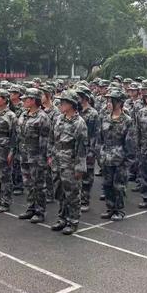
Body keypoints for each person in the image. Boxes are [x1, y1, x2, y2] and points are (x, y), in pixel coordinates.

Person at [48, 90, 88, 235]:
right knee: (59, 191)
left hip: (70, 162)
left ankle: (73, 221)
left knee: (72, 193)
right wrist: (50, 156)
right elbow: (51, 139)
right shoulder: (59, 119)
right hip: (58, 160)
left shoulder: (79, 123)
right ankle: (62, 218)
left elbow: (82, 148)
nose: (61, 104)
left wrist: (79, 168)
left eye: (64, 102)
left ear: (72, 104)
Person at [97, 89, 136, 220]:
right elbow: (100, 139)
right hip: (106, 158)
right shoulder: (104, 118)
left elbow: (130, 143)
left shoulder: (127, 120)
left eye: (111, 101)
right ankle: (110, 208)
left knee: (118, 186)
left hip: (120, 159)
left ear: (119, 103)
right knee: (107, 184)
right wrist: (100, 154)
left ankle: (118, 210)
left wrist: (127, 162)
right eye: (108, 100)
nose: (108, 103)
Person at [16, 88, 50, 223]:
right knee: (28, 183)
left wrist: (43, 159)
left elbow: (44, 141)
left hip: (36, 156)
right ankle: (31, 208)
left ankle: (40, 211)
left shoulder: (43, 117)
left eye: (27, 99)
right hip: (24, 155)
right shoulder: (24, 115)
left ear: (34, 101)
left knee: (38, 185)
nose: (24, 101)